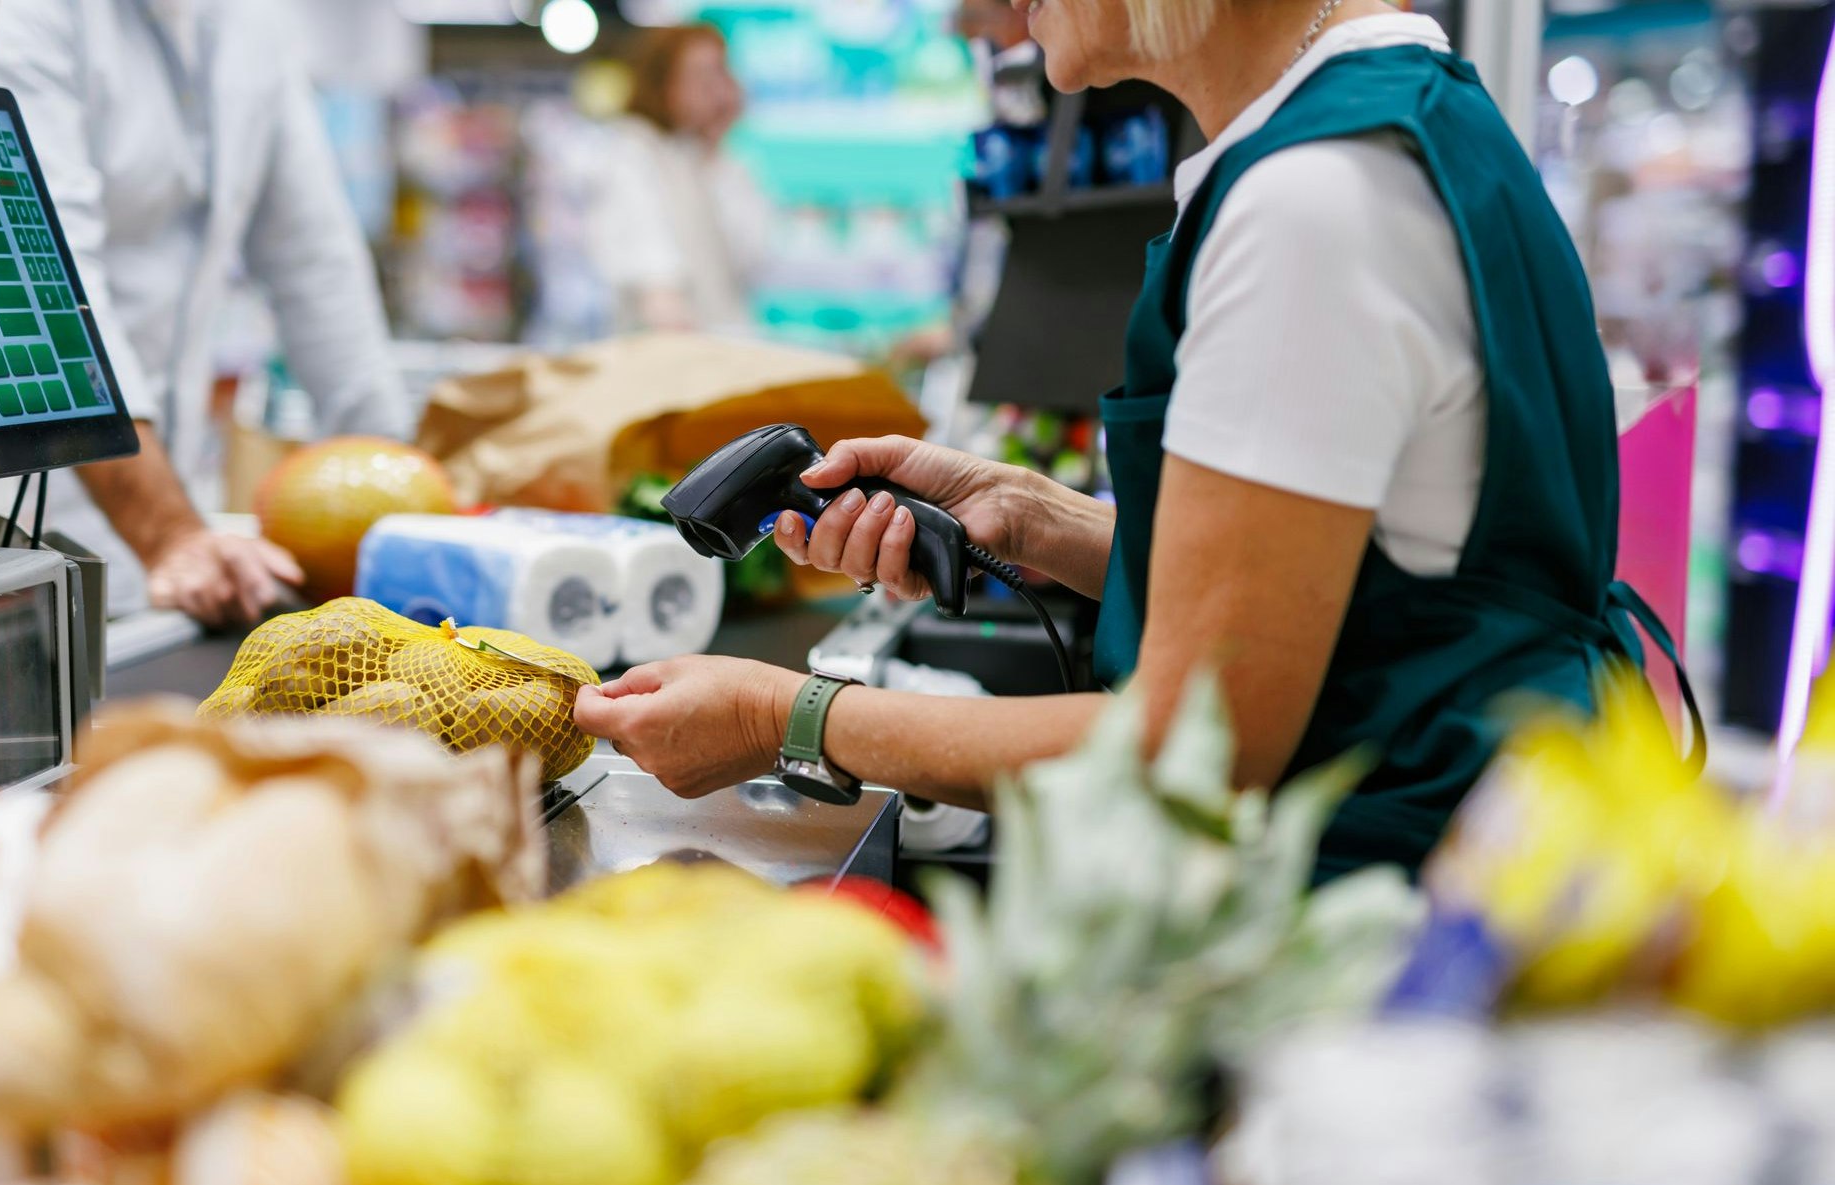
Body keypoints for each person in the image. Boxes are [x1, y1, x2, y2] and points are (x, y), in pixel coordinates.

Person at [575, 0, 1695, 882]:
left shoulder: (1309, 205)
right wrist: (1040, 522)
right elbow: (1363, 598)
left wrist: (787, 717)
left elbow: (1186, 748)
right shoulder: (1402, 118)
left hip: (1384, 909)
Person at [0, 0, 411, 626]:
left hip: (166, 526)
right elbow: (43, 281)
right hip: (20, 518)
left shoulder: (254, 24)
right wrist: (168, 532)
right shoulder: (29, 17)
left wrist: (401, 512)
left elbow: (317, 266)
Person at [588, 24, 774, 336]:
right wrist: (665, 306)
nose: (715, 88)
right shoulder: (634, 149)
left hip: (721, 342)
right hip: (669, 349)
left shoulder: (709, 158)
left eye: (720, 72)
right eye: (700, 75)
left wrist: (716, 150)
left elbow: (749, 257)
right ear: (664, 82)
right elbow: (647, 258)